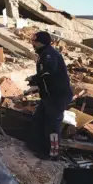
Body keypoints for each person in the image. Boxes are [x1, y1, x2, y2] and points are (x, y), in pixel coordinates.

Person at [26, 31, 72, 160]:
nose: (32, 43)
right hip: (48, 96)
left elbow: (48, 72)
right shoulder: (44, 54)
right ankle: (37, 146)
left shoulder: (50, 55)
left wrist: (35, 79)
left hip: (57, 97)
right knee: (38, 119)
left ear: (41, 42)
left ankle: (53, 154)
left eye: (34, 41)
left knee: (52, 126)